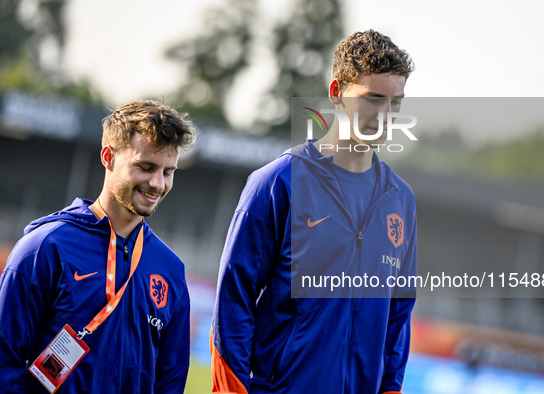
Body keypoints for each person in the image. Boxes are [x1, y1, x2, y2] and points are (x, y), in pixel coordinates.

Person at [211, 30, 417, 394]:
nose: (385, 115)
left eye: (395, 103)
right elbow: (233, 297)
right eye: (373, 99)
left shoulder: (400, 199)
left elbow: (398, 316)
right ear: (337, 93)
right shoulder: (278, 182)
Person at [0, 100, 196, 393]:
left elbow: (170, 380)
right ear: (108, 157)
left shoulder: (170, 270)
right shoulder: (44, 247)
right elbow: (5, 361)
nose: (157, 183)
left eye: (168, 172)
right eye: (146, 167)